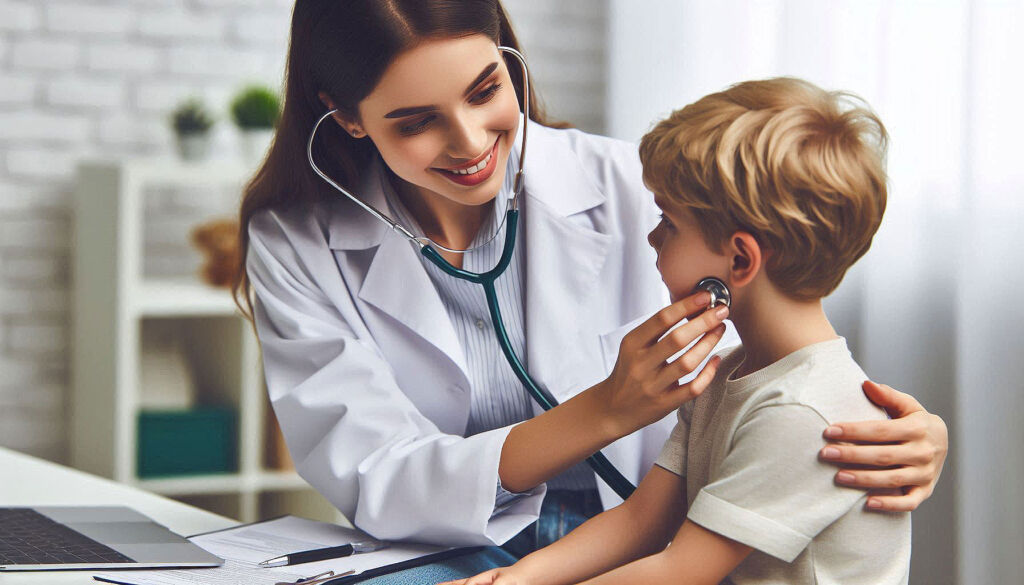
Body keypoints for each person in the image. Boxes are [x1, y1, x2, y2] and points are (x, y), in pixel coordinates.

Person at [234, 0, 947, 580]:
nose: (470, 140)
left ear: (509, 59)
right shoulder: (294, 239)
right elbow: (375, 471)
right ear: (349, 115)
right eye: (417, 122)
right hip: (436, 540)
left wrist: (907, 433)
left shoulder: (639, 188)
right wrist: (604, 410)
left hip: (634, 539)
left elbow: (783, 372)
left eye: (486, 90)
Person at [447, 77, 911, 585]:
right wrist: (516, 579)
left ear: (739, 259)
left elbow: (681, 570)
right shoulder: (727, 377)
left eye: (668, 222)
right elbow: (641, 522)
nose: (651, 235)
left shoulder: (800, 412)